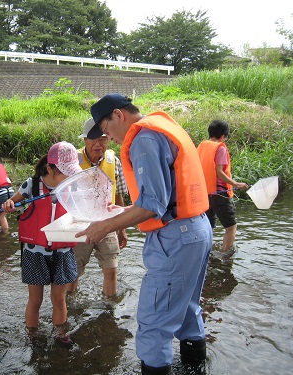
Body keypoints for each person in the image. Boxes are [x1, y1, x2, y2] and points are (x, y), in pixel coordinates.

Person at [76, 94, 213, 375]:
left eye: (107, 129)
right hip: (197, 229)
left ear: (118, 115)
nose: (109, 137)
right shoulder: (160, 126)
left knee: (154, 321)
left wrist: (104, 226)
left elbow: (153, 204)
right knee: (187, 308)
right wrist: (122, 211)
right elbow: (164, 196)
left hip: (176, 238)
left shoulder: (143, 139)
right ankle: (197, 367)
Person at [1, 141, 82, 345]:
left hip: (62, 250)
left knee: (59, 299)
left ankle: (61, 335)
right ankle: (33, 336)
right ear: (50, 168)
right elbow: (13, 202)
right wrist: (9, 204)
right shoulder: (32, 185)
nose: (70, 176)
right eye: (65, 172)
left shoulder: (71, 187)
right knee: (35, 300)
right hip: (34, 252)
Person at [66, 118, 128, 297]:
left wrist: (121, 229)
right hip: (80, 226)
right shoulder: (73, 161)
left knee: (111, 270)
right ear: (85, 140)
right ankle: (70, 305)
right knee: (74, 272)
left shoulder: (113, 160)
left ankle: (110, 308)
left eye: (103, 139)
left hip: (107, 223)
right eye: (93, 139)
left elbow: (119, 195)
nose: (98, 144)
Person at [197, 120, 249, 258]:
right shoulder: (220, 148)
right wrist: (237, 184)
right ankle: (226, 258)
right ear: (223, 135)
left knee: (208, 227)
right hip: (220, 194)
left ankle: (204, 254)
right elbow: (219, 172)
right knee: (231, 227)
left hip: (205, 194)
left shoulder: (202, 146)